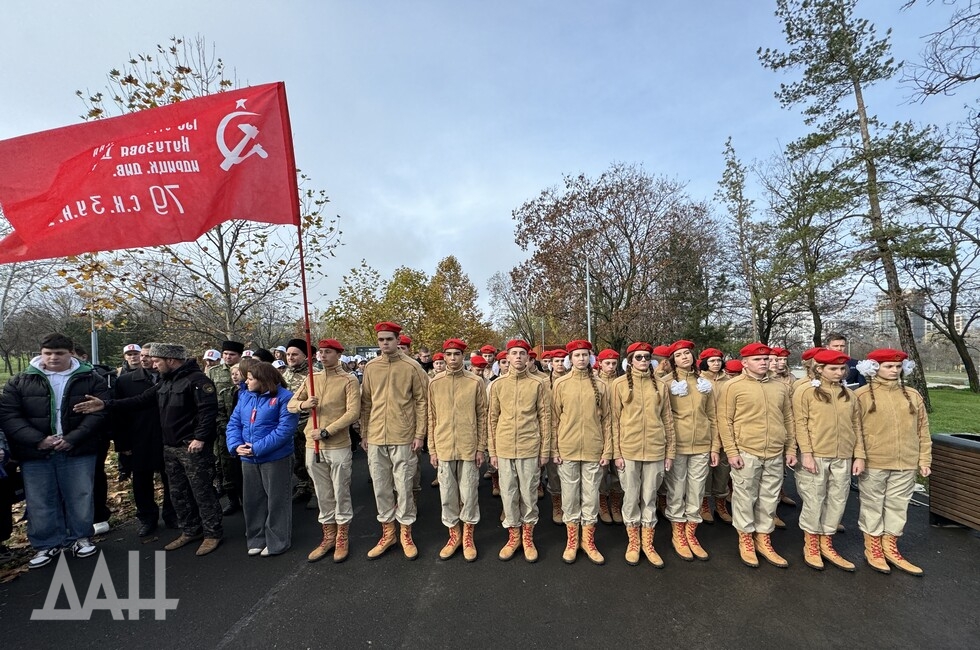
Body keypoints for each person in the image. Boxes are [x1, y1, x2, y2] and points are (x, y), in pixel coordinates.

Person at [75, 342, 223, 556]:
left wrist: (200, 438)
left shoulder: (197, 381)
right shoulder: (166, 381)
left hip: (191, 448)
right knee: (178, 493)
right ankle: (191, 530)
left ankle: (212, 533)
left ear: (170, 360)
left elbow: (209, 412)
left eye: (156, 360)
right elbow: (140, 400)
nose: (153, 364)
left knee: (202, 492)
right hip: (170, 448)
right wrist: (106, 405)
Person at [0, 333, 109, 569]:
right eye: (48, 353)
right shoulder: (20, 381)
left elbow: (99, 413)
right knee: (40, 499)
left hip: (78, 448)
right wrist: (38, 440)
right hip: (37, 451)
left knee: (80, 495)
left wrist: (73, 438)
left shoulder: (91, 379)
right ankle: (47, 544)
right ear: (40, 353)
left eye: (59, 353)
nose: (53, 358)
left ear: (70, 352)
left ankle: (80, 537)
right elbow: (9, 415)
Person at [715, 342, 797, 569]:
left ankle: (764, 538)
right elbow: (725, 420)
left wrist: (790, 448)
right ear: (745, 362)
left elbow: (788, 419)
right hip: (746, 450)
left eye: (765, 359)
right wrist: (731, 451)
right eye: (758, 359)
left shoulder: (780, 387)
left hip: (774, 451)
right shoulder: (733, 386)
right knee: (745, 497)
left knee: (769, 497)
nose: (763, 362)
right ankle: (746, 538)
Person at [854, 348, 931, 576]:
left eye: (898, 367)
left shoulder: (913, 395)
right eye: (888, 366)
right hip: (875, 461)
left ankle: (890, 545)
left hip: (905, 461)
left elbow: (923, 429)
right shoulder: (862, 395)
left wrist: (924, 457)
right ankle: (873, 547)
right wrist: (860, 456)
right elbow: (855, 430)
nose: (894, 370)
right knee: (873, 504)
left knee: (898, 505)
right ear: (876, 368)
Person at [360, 322, 429, 560]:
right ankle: (387, 533)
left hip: (404, 435)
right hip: (377, 435)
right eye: (381, 339)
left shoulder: (412, 367)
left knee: (404, 486)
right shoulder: (371, 367)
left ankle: (406, 533)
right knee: (381, 487)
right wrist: (365, 433)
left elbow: (422, 401)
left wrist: (420, 434)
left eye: (389, 339)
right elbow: (366, 403)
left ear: (398, 340)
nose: (385, 343)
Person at [792, 348, 866, 571]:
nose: (839, 372)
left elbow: (856, 427)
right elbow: (800, 424)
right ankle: (812, 543)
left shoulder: (849, 395)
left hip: (842, 455)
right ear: (819, 369)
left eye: (842, 368)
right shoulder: (806, 392)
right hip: (816, 454)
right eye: (833, 368)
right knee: (814, 499)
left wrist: (859, 455)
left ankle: (827, 541)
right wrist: (806, 453)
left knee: (837, 500)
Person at [288, 339, 360, 563]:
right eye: (321, 352)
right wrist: (304, 405)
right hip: (313, 444)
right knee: (322, 492)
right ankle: (327, 536)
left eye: (328, 352)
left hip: (337, 444)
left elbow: (353, 413)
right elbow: (290, 404)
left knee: (340, 490)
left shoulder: (349, 380)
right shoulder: (312, 378)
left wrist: (328, 431)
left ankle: (342, 537)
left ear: (338, 354)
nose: (323, 356)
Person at [611, 342, 675, 566]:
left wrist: (670, 452)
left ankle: (648, 542)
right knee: (631, 496)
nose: (643, 361)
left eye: (646, 357)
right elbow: (614, 422)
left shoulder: (661, 385)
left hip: (656, 449)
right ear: (630, 360)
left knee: (649, 497)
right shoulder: (619, 385)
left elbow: (667, 420)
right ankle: (633, 542)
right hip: (629, 449)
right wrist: (616, 453)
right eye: (638, 357)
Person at [488, 339, 551, 562]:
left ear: (528, 357)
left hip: (529, 447)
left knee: (529, 492)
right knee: (508, 492)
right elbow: (492, 419)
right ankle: (513, 535)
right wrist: (493, 451)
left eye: (522, 353)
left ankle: (528, 537)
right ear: (507, 357)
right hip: (505, 447)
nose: (518, 357)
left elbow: (545, 418)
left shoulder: (538, 384)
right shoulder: (497, 385)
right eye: (514, 353)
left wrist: (545, 450)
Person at [226, 361, 298, 557]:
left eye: (250, 378)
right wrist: (235, 445)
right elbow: (234, 423)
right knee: (252, 501)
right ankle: (256, 538)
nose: (245, 382)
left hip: (275, 457)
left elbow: (284, 430)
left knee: (277, 500)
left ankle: (277, 541)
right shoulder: (245, 396)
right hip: (248, 459)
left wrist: (256, 448)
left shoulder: (285, 398)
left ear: (263, 379)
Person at [552, 340, 613, 565]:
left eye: (585, 355)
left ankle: (588, 540)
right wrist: (554, 448)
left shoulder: (601, 385)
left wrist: (608, 449)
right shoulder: (560, 384)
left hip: (593, 450)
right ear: (571, 358)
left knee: (590, 496)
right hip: (567, 449)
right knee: (569, 497)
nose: (581, 359)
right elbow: (554, 420)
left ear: (590, 357)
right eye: (577, 355)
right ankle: (571, 541)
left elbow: (608, 421)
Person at [428, 338, 487, 561]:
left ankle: (468, 536)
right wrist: (432, 449)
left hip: (468, 446)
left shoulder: (475, 382)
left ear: (464, 357)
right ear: (443, 356)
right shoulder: (435, 382)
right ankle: (454, 535)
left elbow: (482, 415)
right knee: (447, 494)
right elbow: (431, 417)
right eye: (449, 354)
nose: (453, 358)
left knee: (470, 493)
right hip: (443, 446)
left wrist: (481, 447)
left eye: (457, 354)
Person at [661, 340, 719, 561]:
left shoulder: (704, 383)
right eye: (679, 355)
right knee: (676, 488)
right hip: (679, 445)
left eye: (687, 353)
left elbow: (712, 416)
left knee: (697, 489)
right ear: (672, 360)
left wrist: (715, 446)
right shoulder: (666, 384)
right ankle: (678, 533)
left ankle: (691, 532)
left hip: (702, 444)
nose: (685, 357)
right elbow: (665, 418)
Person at [114, 343, 178, 538]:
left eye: (149, 356)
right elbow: (119, 415)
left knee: (171, 479)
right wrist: (122, 444)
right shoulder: (125, 382)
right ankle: (147, 518)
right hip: (138, 439)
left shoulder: (173, 379)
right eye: (141, 355)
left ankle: (172, 514)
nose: (144, 359)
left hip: (167, 438)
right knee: (141, 481)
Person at [207, 340, 245, 516]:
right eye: (226, 354)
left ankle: (248, 499)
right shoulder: (213, 372)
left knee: (244, 466)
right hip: (224, 424)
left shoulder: (247, 370)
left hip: (245, 426)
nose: (228, 357)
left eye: (232, 354)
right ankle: (232, 499)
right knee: (225, 464)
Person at [697, 347, 732, 524]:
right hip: (707, 428)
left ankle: (720, 505)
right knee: (705, 470)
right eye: (712, 361)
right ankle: (704, 505)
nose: (716, 364)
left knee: (723, 470)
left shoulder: (729, 381)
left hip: (725, 428)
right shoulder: (700, 381)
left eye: (718, 360)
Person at [282, 338, 314, 505]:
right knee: (297, 460)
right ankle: (303, 485)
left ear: (305, 356)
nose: (290, 357)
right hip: (290, 422)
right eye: (288, 354)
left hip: (309, 421)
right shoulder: (284, 374)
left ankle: (316, 491)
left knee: (313, 460)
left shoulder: (314, 374)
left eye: (295, 354)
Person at [595, 348, 624, 524]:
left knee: (618, 473)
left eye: (614, 363)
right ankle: (602, 504)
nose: (611, 366)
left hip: (620, 432)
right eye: (607, 363)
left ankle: (615, 504)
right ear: (600, 363)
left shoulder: (622, 381)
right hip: (602, 432)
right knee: (601, 472)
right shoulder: (596, 382)